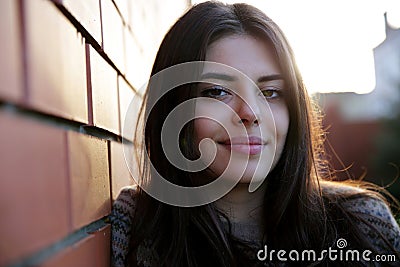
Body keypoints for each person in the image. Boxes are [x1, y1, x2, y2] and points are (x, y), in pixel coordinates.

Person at [110, 1, 400, 266]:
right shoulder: (138, 224)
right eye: (217, 92)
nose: (249, 113)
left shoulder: (364, 224)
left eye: (271, 92)